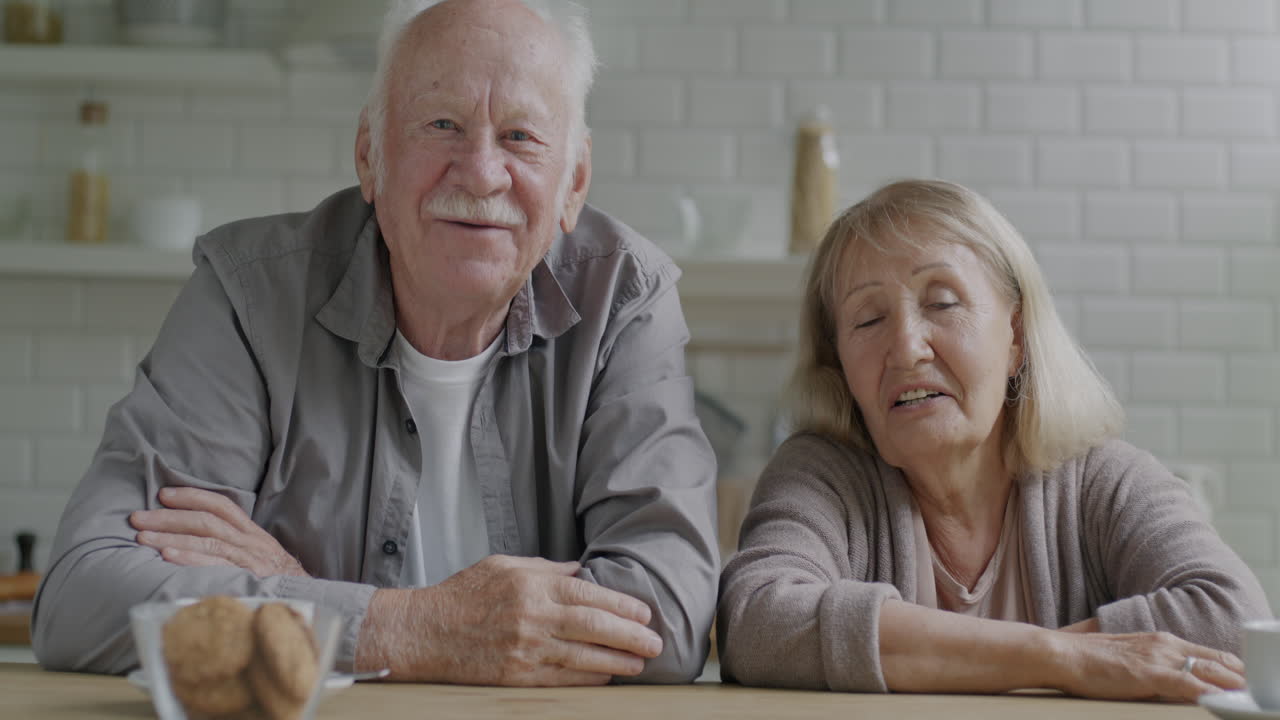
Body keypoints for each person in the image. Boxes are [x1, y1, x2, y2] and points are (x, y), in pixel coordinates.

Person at [32, 0, 718, 686]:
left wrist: (296, 595)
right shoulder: (249, 295)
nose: (481, 172)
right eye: (442, 124)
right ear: (369, 154)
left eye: (520, 136)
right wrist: (413, 627)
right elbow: (83, 598)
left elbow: (669, 619)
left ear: (574, 183)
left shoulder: (624, 298)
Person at [717, 179, 1271, 702]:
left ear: (1016, 339)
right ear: (839, 366)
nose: (906, 348)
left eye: (942, 302)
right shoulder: (820, 475)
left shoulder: (1103, 480)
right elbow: (755, 621)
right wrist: (1062, 658)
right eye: (867, 320)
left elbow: (1235, 621)